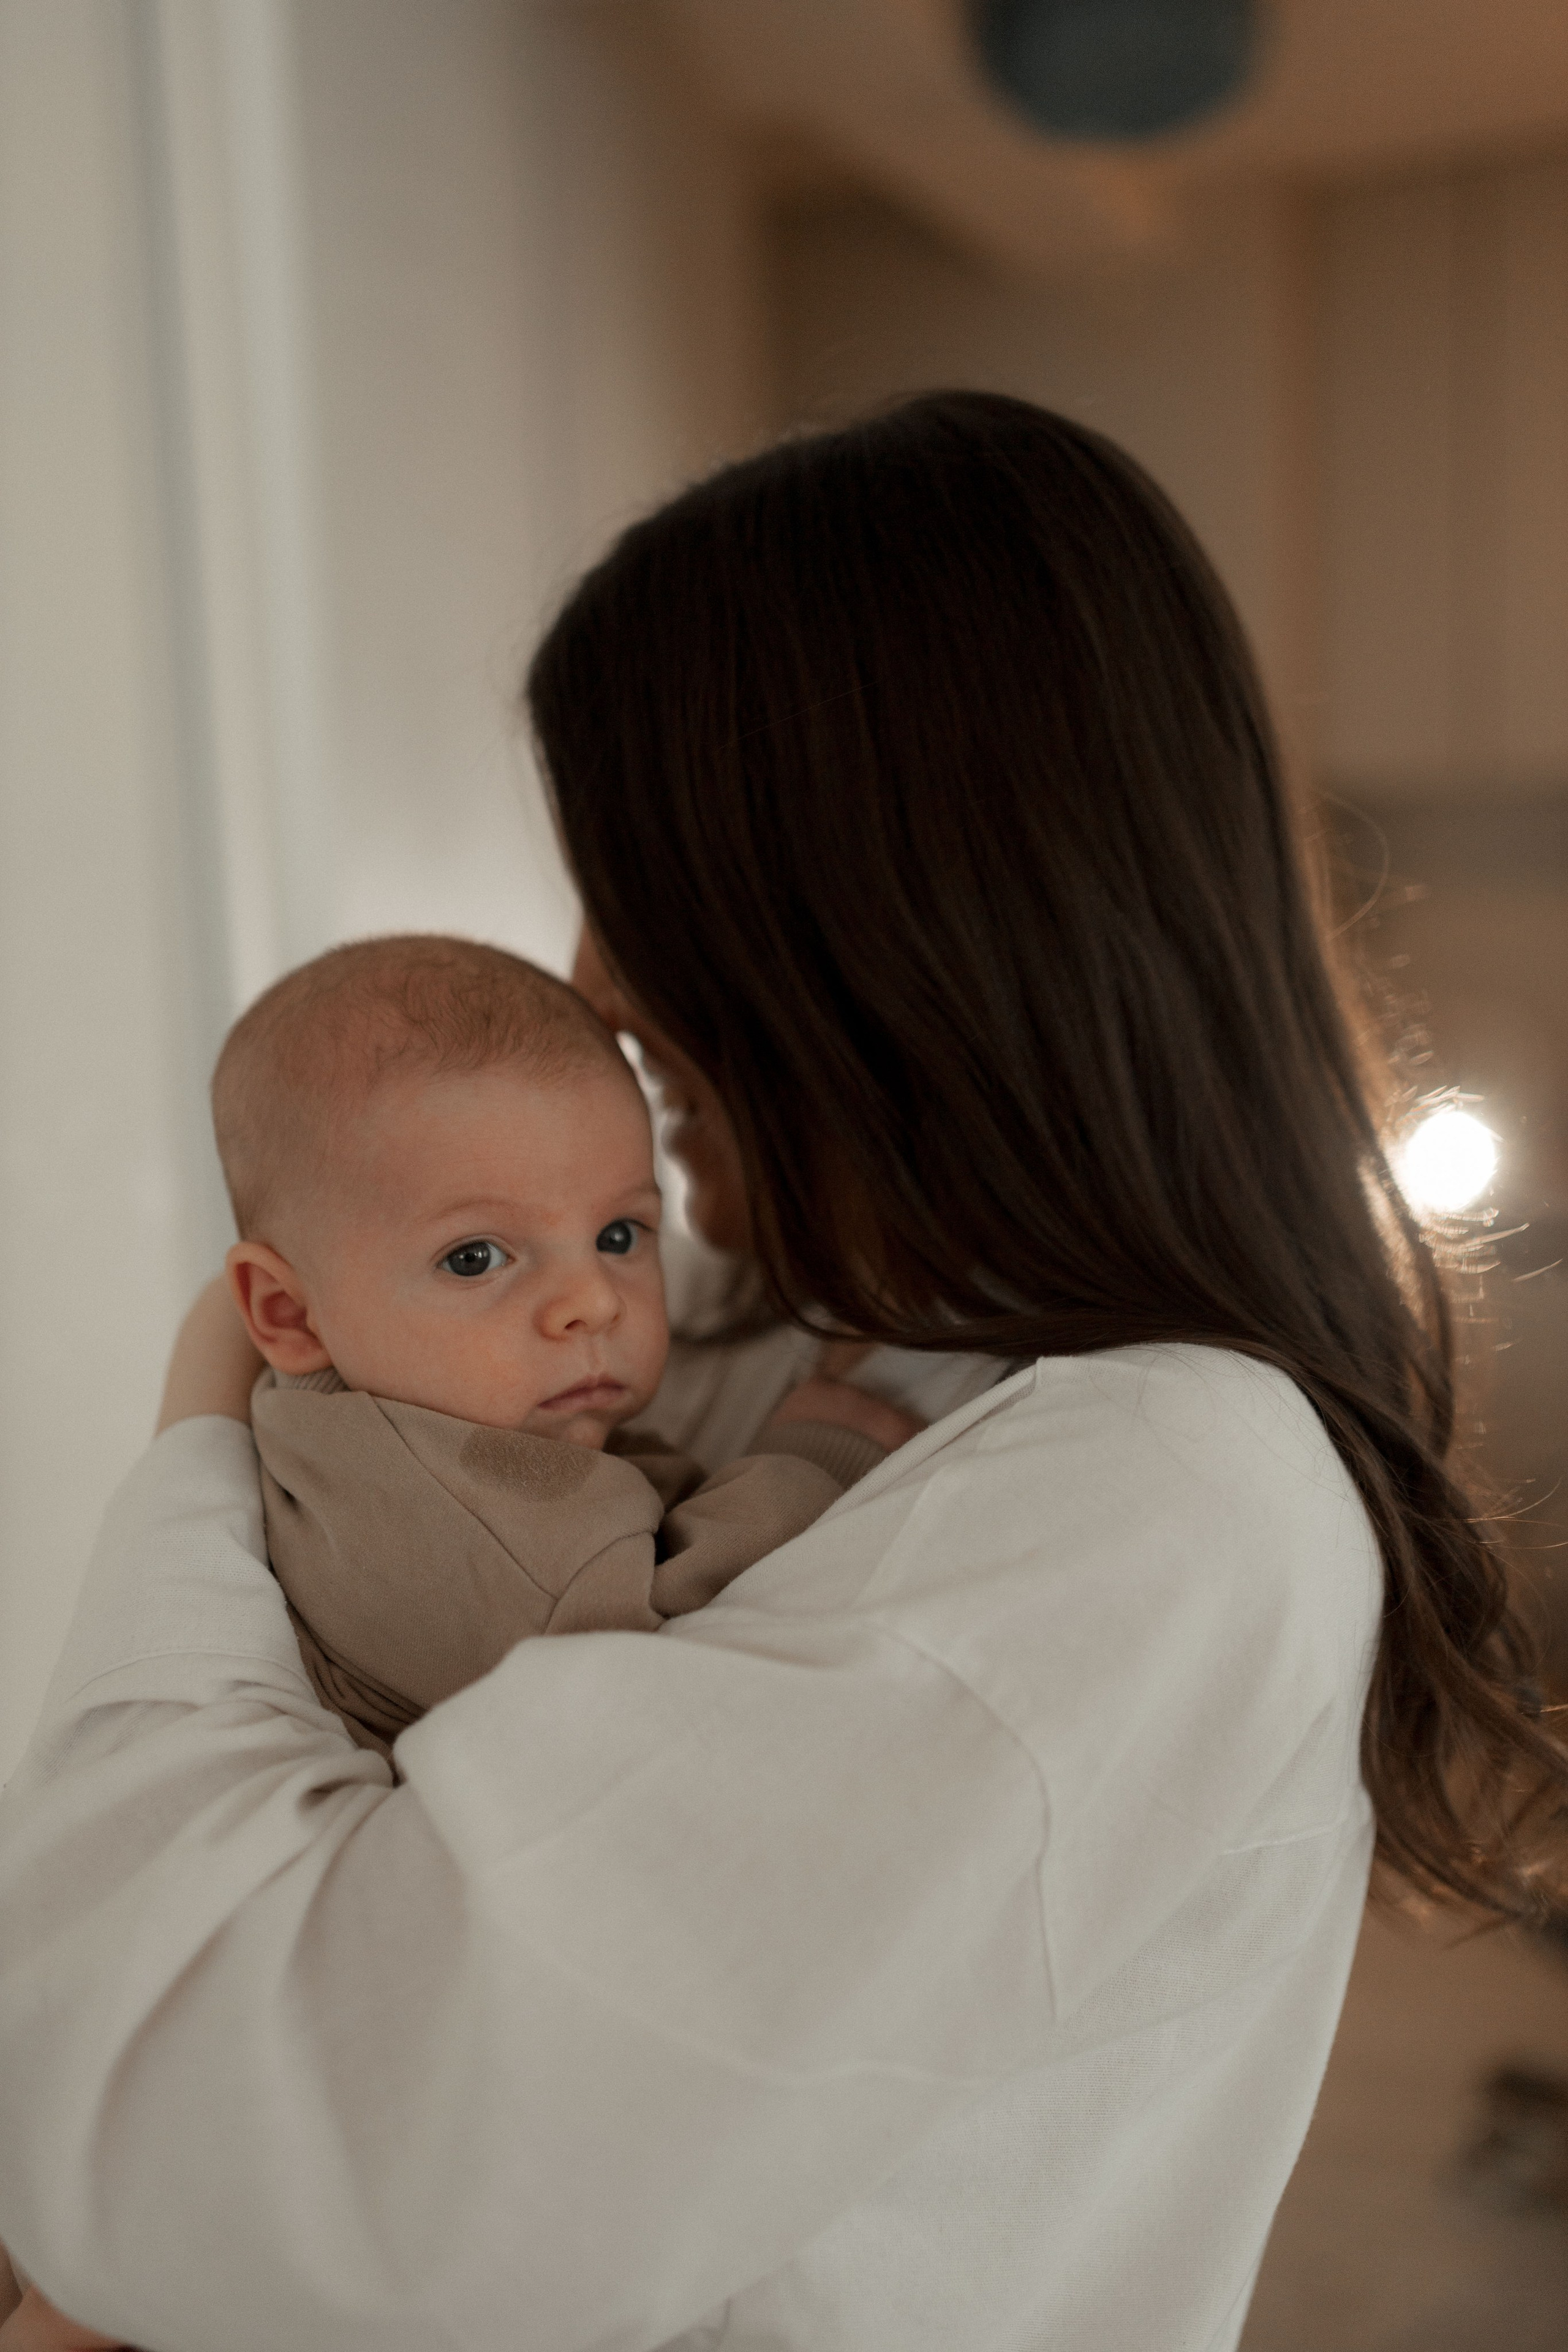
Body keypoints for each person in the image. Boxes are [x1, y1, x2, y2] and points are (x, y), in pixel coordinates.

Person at [0, 391, 1562, 2352]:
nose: (587, 974)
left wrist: (206, 1435)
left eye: (628, 875)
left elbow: (190, 2148)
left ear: (865, 913)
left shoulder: (1157, 1498)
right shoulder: (808, 1331)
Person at [210, 932, 903, 1758]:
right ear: (288, 1315)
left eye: (619, 1235)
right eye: (475, 1258)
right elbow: (668, 1634)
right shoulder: (470, 1509)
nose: (593, 1301)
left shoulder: (350, 1421)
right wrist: (815, 1458)